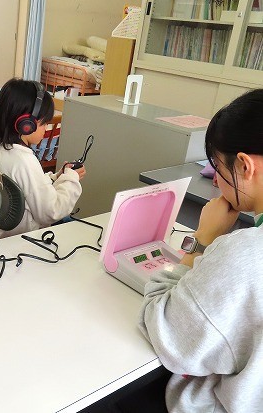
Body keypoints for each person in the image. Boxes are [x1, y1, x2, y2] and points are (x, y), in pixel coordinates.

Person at [139, 89, 263, 412]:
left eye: (218, 170)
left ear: (245, 166)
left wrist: (203, 238)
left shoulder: (245, 254)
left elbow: (165, 331)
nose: (216, 183)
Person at [0, 78, 86, 237]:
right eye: (44, 123)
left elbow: (28, 188)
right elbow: (51, 212)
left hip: (6, 233)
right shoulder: (25, 161)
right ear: (26, 124)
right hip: (27, 237)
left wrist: (56, 177)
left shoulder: (2, 150)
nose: (46, 128)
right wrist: (71, 179)